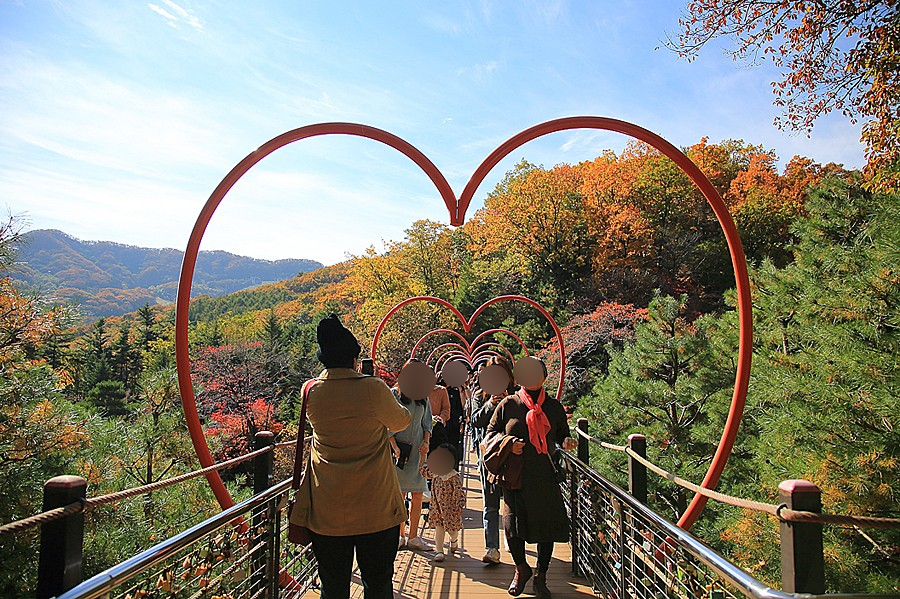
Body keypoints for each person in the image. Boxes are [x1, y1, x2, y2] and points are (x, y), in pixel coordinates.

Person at [290, 314, 411, 599]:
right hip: (376, 508)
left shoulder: (311, 391)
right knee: (378, 584)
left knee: (332, 586)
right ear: (354, 358)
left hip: (328, 508)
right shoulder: (372, 388)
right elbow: (401, 421)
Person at [487, 357, 576, 599]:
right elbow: (490, 434)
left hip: (544, 477)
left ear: (544, 377)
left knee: (545, 529)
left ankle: (541, 576)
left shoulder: (554, 408)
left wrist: (566, 442)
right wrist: (507, 444)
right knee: (512, 526)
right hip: (515, 476)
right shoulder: (508, 404)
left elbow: (561, 435)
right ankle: (521, 569)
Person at [470, 355, 516, 565]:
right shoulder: (480, 395)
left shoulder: (516, 395)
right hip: (488, 455)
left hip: (512, 454)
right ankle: (492, 547)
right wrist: (490, 404)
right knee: (490, 503)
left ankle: (512, 539)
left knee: (512, 500)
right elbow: (474, 420)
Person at [389, 359, 433, 552]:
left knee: (417, 494)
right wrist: (393, 446)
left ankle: (414, 536)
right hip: (398, 450)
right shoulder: (394, 394)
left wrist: (426, 442)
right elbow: (387, 422)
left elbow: (427, 422)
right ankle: (400, 535)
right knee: (399, 494)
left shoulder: (423, 396)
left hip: (417, 450)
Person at [419, 443, 465, 562]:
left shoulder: (453, 476)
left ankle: (454, 540)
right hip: (437, 507)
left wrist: (459, 505)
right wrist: (423, 455)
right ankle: (439, 550)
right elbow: (423, 471)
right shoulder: (435, 472)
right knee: (439, 527)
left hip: (451, 509)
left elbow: (459, 492)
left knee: (452, 530)